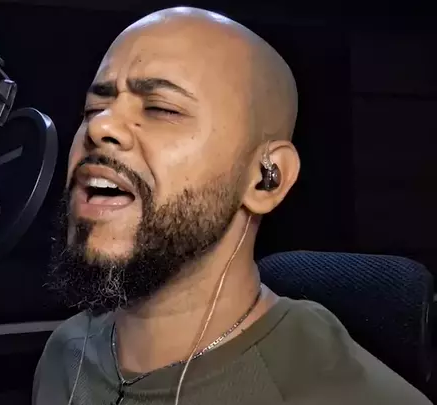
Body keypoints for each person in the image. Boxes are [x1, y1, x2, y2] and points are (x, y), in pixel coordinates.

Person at [33, 6, 432, 405]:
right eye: (93, 109)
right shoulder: (64, 355)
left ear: (264, 178)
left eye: (160, 109)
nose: (100, 126)